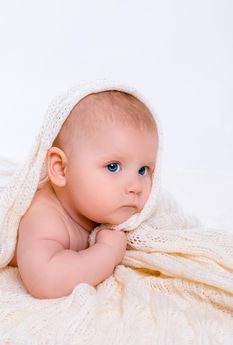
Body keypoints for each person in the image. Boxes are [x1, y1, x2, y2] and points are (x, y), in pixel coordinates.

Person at [9, 90, 158, 299]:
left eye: (143, 170)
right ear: (61, 169)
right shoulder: (44, 217)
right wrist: (107, 253)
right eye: (113, 167)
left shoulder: (99, 208)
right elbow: (45, 280)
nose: (135, 186)